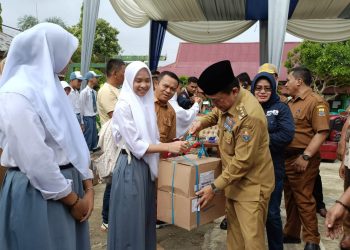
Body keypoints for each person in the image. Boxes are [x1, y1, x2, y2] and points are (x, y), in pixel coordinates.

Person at [0, 23, 93, 250]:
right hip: (41, 192)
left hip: (66, 186)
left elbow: (72, 139)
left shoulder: (49, 86)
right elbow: (35, 159)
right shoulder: (17, 91)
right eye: (67, 53)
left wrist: (88, 187)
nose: (70, 61)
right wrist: (72, 200)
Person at [190, 60, 274, 249]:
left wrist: (214, 187)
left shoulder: (250, 116)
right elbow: (216, 113)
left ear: (234, 91)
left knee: (252, 241)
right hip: (234, 183)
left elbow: (243, 162)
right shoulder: (228, 103)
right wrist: (202, 123)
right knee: (234, 236)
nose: (215, 104)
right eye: (211, 100)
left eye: (217, 100)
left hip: (251, 187)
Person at [107, 61, 188, 250]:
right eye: (138, 81)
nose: (143, 85)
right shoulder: (124, 106)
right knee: (130, 220)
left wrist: (174, 146)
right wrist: (168, 146)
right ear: (128, 80)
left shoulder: (144, 105)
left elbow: (153, 138)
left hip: (146, 167)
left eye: (146, 81)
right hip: (131, 167)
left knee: (144, 218)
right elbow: (136, 146)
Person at [283, 66, 329, 250]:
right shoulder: (291, 102)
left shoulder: (316, 102)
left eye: (288, 80)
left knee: (304, 198)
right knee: (290, 198)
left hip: (303, 157)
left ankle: (312, 240)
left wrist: (306, 156)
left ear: (299, 81)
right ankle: (292, 233)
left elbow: (322, 132)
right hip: (287, 158)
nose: (286, 83)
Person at [251, 72, 295, 250]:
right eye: (259, 88)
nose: (262, 92)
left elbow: (287, 135)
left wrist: (259, 140)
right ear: (253, 89)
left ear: (273, 89)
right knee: (251, 213)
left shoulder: (281, 108)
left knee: (272, 213)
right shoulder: (246, 107)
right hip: (248, 169)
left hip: (272, 169)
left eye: (267, 88)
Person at [97, 58, 125, 231]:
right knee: (111, 180)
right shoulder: (107, 91)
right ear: (115, 73)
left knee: (117, 179)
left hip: (119, 141)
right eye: (123, 72)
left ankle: (113, 215)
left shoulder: (116, 89)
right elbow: (117, 116)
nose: (125, 75)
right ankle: (106, 218)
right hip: (111, 141)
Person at [80, 71, 101, 152]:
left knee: (93, 135)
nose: (97, 79)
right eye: (96, 78)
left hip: (93, 116)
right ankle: (86, 152)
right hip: (87, 117)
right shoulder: (84, 92)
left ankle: (93, 150)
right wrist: (82, 121)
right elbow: (81, 107)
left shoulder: (94, 92)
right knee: (88, 136)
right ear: (90, 79)